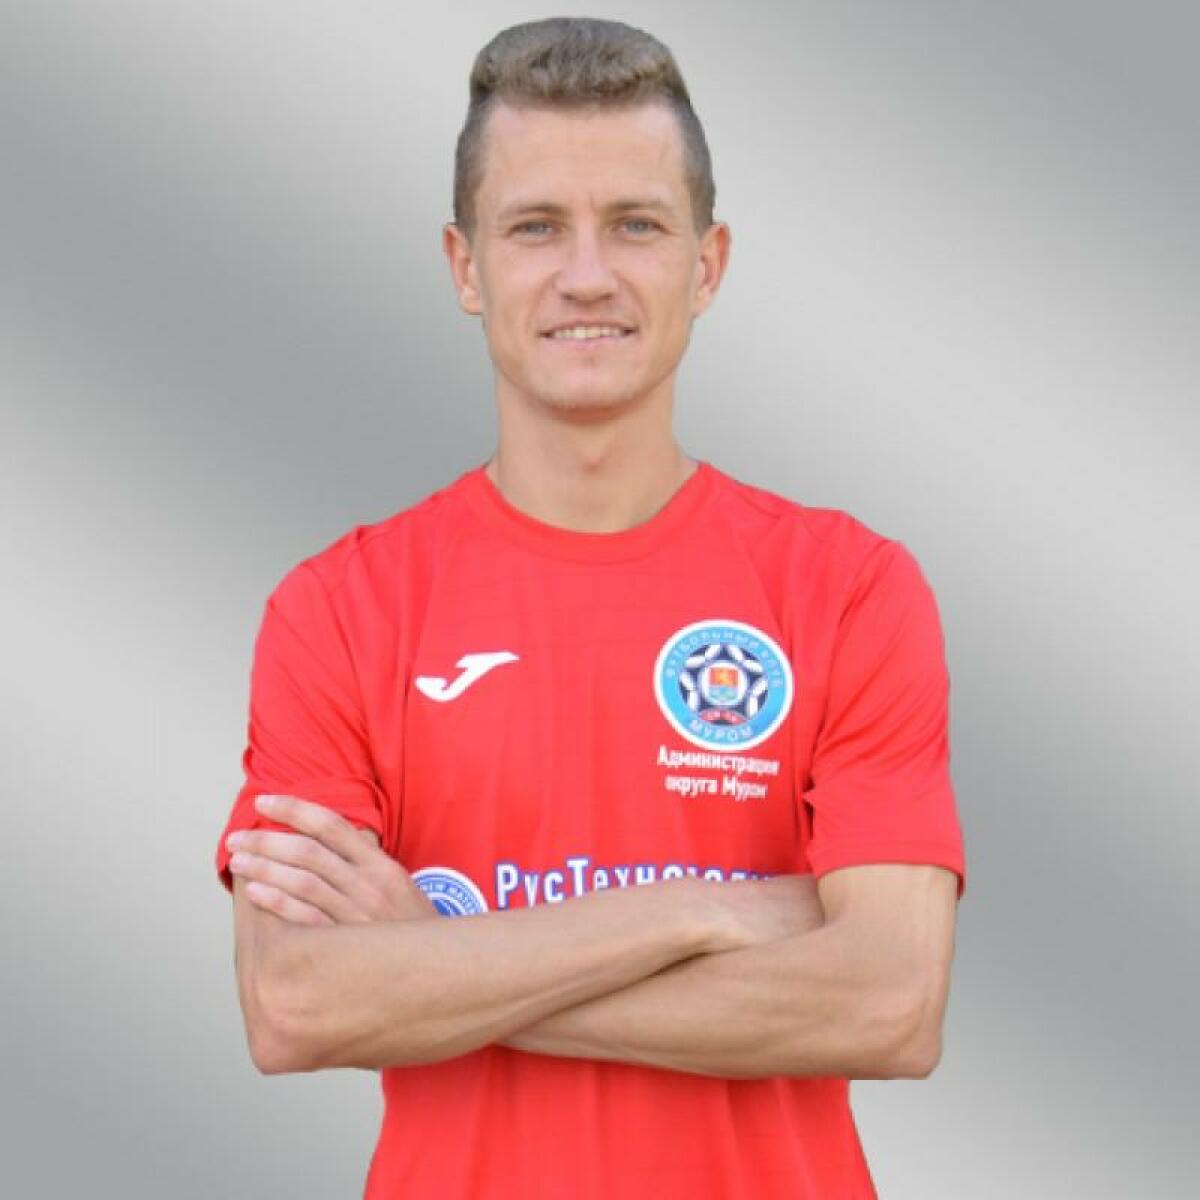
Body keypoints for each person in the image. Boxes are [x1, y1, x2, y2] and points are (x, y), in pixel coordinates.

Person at [215, 16, 966, 1199]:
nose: (586, 275)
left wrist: (435, 967)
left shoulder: (849, 589)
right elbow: (294, 1002)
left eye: (635, 224)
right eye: (534, 227)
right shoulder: (341, 610)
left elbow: (890, 1003)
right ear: (465, 266)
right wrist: (696, 909)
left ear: (706, 265)